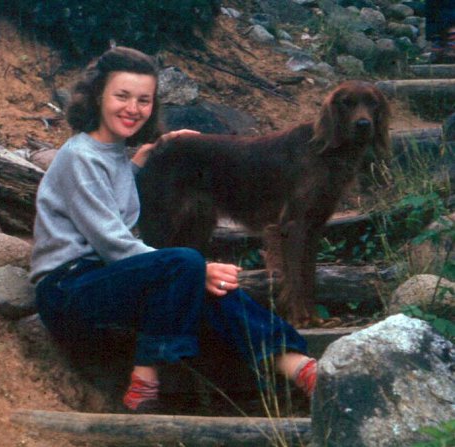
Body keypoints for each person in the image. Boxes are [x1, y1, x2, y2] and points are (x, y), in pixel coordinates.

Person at [30, 46, 317, 413]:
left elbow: (112, 202)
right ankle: (147, 374)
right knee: (188, 264)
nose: (133, 108)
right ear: (98, 95)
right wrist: (199, 269)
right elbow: (111, 241)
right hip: (67, 291)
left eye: (144, 100)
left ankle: (299, 367)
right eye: (122, 96)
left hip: (104, 282)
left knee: (207, 288)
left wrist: (148, 155)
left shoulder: (112, 152)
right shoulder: (78, 156)